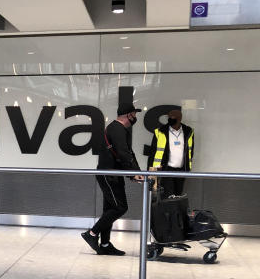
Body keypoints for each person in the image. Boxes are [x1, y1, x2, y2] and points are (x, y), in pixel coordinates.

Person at [82, 103, 145, 256]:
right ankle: (91, 234)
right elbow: (123, 153)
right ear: (127, 115)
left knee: (109, 210)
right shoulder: (116, 129)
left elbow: (129, 153)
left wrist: (134, 172)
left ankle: (104, 244)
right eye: (134, 114)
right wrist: (133, 173)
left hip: (112, 174)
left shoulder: (120, 129)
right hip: (108, 174)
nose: (135, 117)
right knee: (120, 207)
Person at [149, 108, 194, 198]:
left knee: (178, 195)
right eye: (169, 118)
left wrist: (188, 166)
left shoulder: (188, 131)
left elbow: (190, 150)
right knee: (167, 195)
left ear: (179, 119)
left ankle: (175, 211)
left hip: (182, 170)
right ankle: (167, 212)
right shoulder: (160, 131)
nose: (170, 120)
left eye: (173, 118)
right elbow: (153, 152)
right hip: (166, 169)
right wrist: (152, 170)